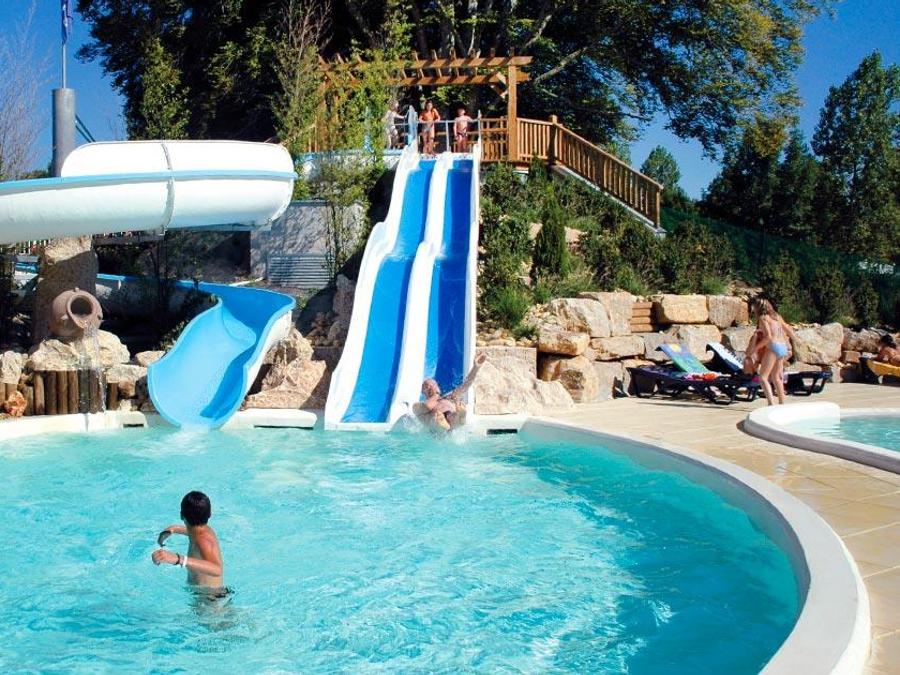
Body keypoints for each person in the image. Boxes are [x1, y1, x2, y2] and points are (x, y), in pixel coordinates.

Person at [152, 491, 224, 589]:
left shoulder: (204, 541)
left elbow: (217, 570)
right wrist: (174, 529)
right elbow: (194, 533)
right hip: (204, 593)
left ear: (181, 515)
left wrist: (178, 559)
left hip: (210, 596)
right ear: (210, 514)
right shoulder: (201, 531)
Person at [414, 353, 487, 431]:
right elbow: (422, 408)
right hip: (436, 420)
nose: (430, 386)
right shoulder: (424, 405)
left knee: (454, 415)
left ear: (438, 388)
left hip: (451, 419)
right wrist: (434, 397)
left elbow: (466, 385)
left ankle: (459, 417)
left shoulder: (449, 397)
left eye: (433, 384)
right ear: (423, 392)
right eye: (426, 386)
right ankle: (445, 423)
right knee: (425, 412)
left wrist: (475, 368)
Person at [753, 298, 796, 406]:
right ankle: (782, 403)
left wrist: (755, 348)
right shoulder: (777, 317)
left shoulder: (763, 318)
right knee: (777, 377)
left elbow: (768, 337)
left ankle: (771, 404)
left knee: (763, 377)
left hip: (773, 347)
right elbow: (788, 330)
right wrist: (797, 340)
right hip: (783, 347)